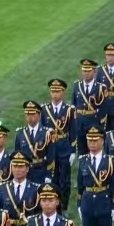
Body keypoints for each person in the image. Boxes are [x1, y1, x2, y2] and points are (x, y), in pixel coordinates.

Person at [42, 78, 75, 206]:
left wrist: (73, 150)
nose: (55, 94)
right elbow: (42, 131)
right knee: (52, 178)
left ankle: (64, 206)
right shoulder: (44, 110)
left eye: (58, 91)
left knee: (65, 179)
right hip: (50, 147)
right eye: (53, 91)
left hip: (64, 147)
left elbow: (73, 131)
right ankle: (53, 205)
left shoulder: (69, 110)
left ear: (63, 93)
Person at [15, 100, 53, 187]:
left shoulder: (47, 133)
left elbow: (51, 156)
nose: (30, 117)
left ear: (39, 115)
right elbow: (17, 156)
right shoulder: (20, 133)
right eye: (28, 114)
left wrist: (49, 175)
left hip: (41, 172)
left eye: (33, 114)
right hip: (24, 174)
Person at [72, 59, 105, 153]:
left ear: (94, 72)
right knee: (81, 151)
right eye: (84, 71)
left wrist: (100, 125)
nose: (85, 73)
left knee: (94, 150)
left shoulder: (100, 88)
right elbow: (73, 106)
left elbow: (103, 109)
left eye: (88, 71)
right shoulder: (76, 86)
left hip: (93, 123)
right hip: (80, 123)